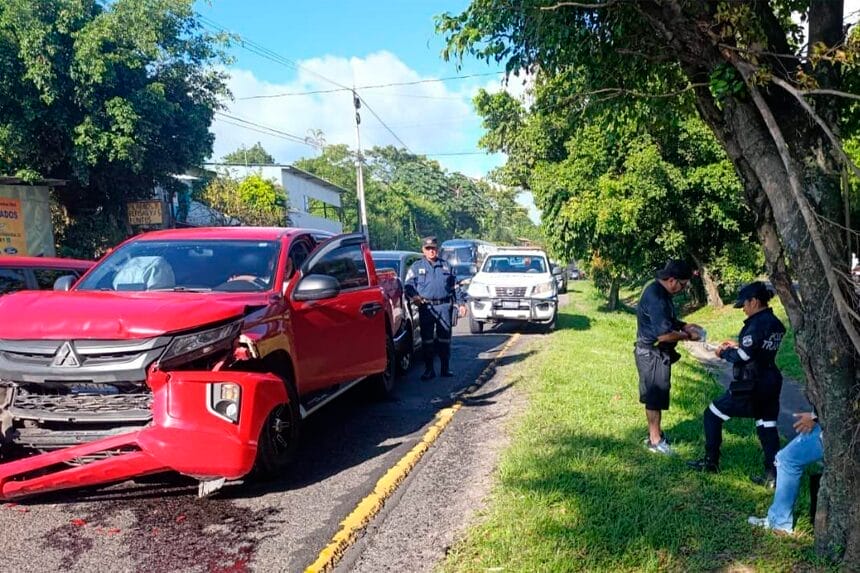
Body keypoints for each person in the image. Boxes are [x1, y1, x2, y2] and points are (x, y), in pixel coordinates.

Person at [687, 281, 786, 484]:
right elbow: (759, 348)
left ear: (754, 301)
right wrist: (739, 345)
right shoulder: (775, 322)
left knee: (712, 414)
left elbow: (743, 356)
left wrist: (723, 352)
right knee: (767, 426)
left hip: (751, 384)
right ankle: (773, 476)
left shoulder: (755, 324)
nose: (743, 309)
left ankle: (710, 462)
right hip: (771, 380)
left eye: (745, 305)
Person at [634, 260, 703, 455]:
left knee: (658, 395)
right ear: (672, 280)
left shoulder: (659, 290)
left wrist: (683, 325)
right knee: (654, 397)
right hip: (651, 353)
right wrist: (688, 336)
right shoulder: (657, 297)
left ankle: (655, 434)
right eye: (683, 284)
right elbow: (664, 335)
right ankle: (655, 441)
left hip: (655, 353)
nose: (683, 289)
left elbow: (666, 320)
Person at [748, 411, 823, 533]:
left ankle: (780, 524)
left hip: (834, 432)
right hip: (830, 427)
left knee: (787, 460)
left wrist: (814, 417)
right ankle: (778, 520)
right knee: (786, 459)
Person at [404, 236, 468, 380]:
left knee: (444, 339)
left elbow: (455, 287)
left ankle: (445, 368)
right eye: (428, 249)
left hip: (444, 307)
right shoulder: (416, 267)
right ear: (423, 250)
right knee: (427, 340)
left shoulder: (446, 266)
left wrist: (461, 304)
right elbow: (408, 285)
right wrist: (414, 296)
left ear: (437, 249)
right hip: (426, 308)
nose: (431, 251)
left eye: (433, 248)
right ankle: (429, 370)